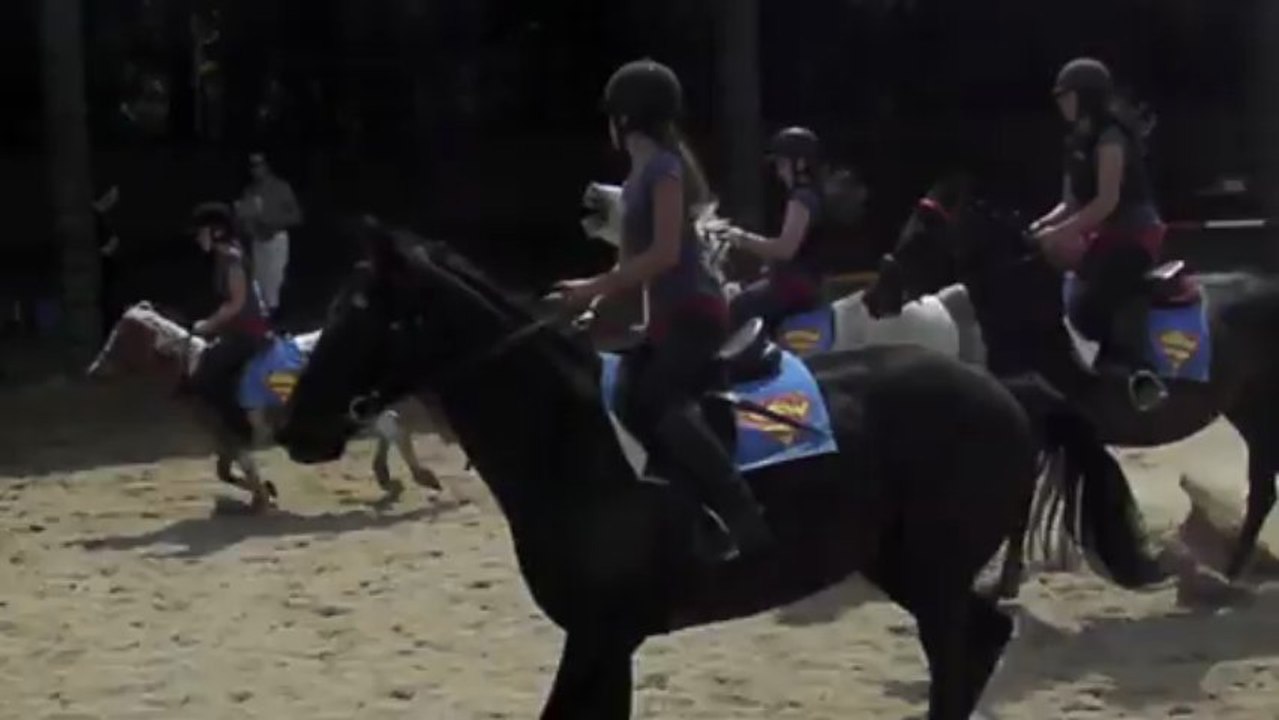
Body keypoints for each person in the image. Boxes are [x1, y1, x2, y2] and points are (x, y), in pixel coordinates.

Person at [547, 58, 772, 559]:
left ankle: (741, 511)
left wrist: (591, 285)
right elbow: (631, 268)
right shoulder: (636, 179)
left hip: (696, 308)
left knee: (657, 399)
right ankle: (692, 512)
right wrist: (593, 306)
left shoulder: (664, 169)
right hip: (666, 317)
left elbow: (665, 254)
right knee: (625, 397)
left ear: (625, 118)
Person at [1030, 57, 1169, 412]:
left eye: (1066, 95)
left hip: (1135, 234)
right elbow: (1070, 203)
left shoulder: (1110, 138)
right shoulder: (1077, 141)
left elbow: (1107, 201)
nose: (1060, 102)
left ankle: (1141, 375)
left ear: (1086, 96)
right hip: (1102, 234)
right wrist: (1038, 227)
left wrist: (1060, 232)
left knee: (1094, 297)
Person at [725, 126, 832, 332]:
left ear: (800, 164)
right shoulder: (813, 194)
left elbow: (785, 249)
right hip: (804, 281)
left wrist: (741, 238)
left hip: (796, 285)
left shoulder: (801, 198)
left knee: (739, 306)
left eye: (783, 163)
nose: (779, 171)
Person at [188, 201, 272, 443]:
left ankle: (240, 429)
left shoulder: (232, 259)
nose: (197, 238)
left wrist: (207, 325)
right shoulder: (223, 257)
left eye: (201, 232)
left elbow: (235, 303)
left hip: (248, 334)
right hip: (235, 330)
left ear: (216, 231)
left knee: (210, 371)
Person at [235, 152, 302, 319]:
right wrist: (246, 223)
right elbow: (244, 218)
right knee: (259, 283)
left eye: (259, 165)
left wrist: (274, 221)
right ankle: (263, 320)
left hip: (277, 239)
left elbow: (297, 216)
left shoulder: (281, 187)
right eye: (252, 166)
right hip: (258, 241)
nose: (256, 169)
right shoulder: (250, 190)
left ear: (267, 166)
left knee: (274, 281)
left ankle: (276, 319)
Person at [93, 184, 123, 339]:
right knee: (108, 307)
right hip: (103, 269)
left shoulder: (105, 217)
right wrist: (107, 249)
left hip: (111, 269)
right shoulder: (94, 219)